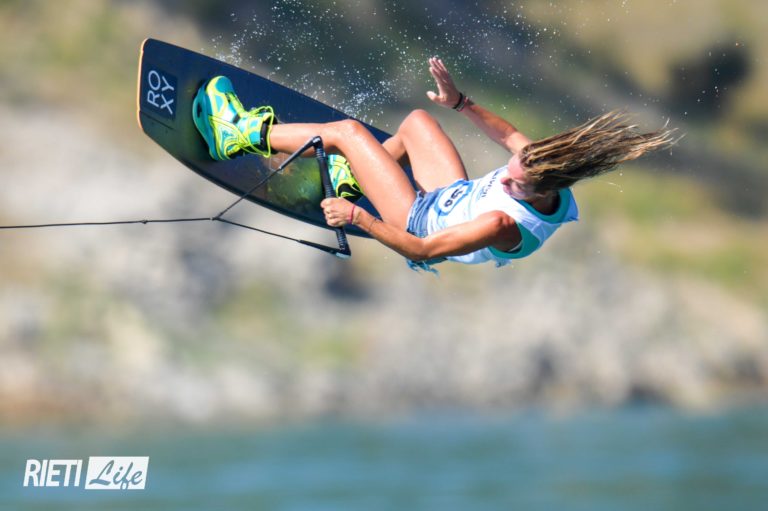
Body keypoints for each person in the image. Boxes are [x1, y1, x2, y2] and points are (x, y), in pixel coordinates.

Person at [193, 58, 674, 271]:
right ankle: (353, 177)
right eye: (512, 168)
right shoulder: (541, 167)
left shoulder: (503, 224)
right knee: (419, 122)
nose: (506, 175)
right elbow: (507, 135)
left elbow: (422, 251)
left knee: (348, 133)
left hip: (418, 222)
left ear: (539, 194)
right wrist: (459, 101)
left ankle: (235, 134)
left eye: (514, 184)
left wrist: (357, 217)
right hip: (450, 197)